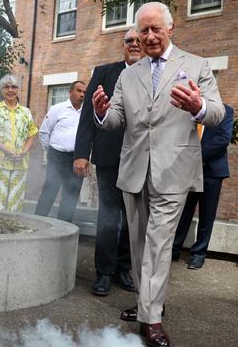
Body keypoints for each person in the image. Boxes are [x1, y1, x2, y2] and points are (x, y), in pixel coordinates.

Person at [92, 2, 225, 347]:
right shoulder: (129, 73)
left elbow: (218, 112)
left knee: (158, 243)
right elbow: (117, 119)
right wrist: (102, 113)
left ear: (171, 28)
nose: (149, 37)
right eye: (143, 31)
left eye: (155, 29)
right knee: (137, 245)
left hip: (174, 170)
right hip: (134, 168)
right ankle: (145, 303)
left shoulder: (196, 65)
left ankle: (151, 319)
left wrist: (199, 107)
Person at [73, 28, 144, 296]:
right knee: (108, 217)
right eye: (129, 41)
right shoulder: (103, 72)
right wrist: (81, 153)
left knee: (132, 218)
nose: (134, 44)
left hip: (140, 159)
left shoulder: (154, 73)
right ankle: (103, 272)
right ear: (123, 46)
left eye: (138, 41)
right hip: (108, 158)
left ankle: (122, 269)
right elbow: (88, 115)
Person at [173, 104, 234, 269]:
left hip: (212, 171)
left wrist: (194, 155)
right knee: (184, 211)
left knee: (207, 214)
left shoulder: (225, 111)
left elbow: (223, 139)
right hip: (187, 170)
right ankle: (174, 249)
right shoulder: (187, 110)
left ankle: (199, 254)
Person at [0, 74, 38, 212]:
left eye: (14, 87)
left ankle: (11, 230)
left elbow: (32, 134)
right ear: (2, 90)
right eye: (6, 87)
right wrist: (7, 151)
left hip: (19, 163)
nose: (10, 90)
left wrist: (24, 152)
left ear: (18, 90)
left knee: (15, 201)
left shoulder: (26, 112)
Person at [35, 81, 87, 222]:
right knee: (50, 190)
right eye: (78, 91)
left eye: (84, 92)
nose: (82, 94)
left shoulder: (87, 112)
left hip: (77, 159)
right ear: (70, 92)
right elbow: (44, 133)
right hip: (57, 156)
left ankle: (63, 227)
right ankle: (38, 223)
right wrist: (51, 152)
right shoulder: (57, 109)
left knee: (72, 193)